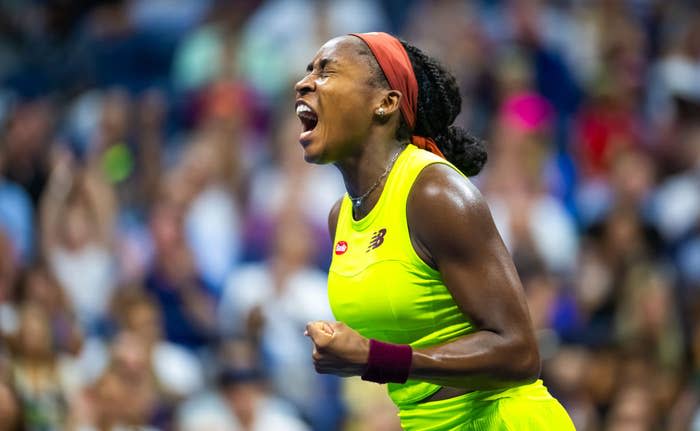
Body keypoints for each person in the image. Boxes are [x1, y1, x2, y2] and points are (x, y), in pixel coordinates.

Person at [297, 32, 575, 430]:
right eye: (308, 71)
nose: (304, 83)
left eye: (327, 71)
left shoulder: (434, 192)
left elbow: (520, 352)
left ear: (385, 103)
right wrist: (351, 354)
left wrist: (375, 358)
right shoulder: (339, 217)